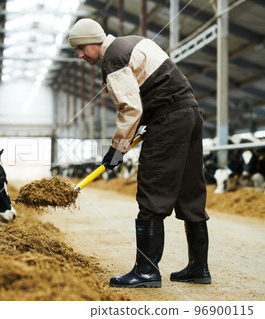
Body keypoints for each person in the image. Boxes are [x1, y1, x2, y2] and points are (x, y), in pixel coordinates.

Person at [68, 18, 211, 288]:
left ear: (94, 41)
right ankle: (198, 268)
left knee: (152, 188)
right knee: (190, 190)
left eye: (81, 48)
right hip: (190, 113)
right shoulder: (131, 43)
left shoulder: (113, 57)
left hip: (168, 120)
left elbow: (130, 108)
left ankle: (146, 271)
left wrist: (117, 148)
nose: (80, 55)